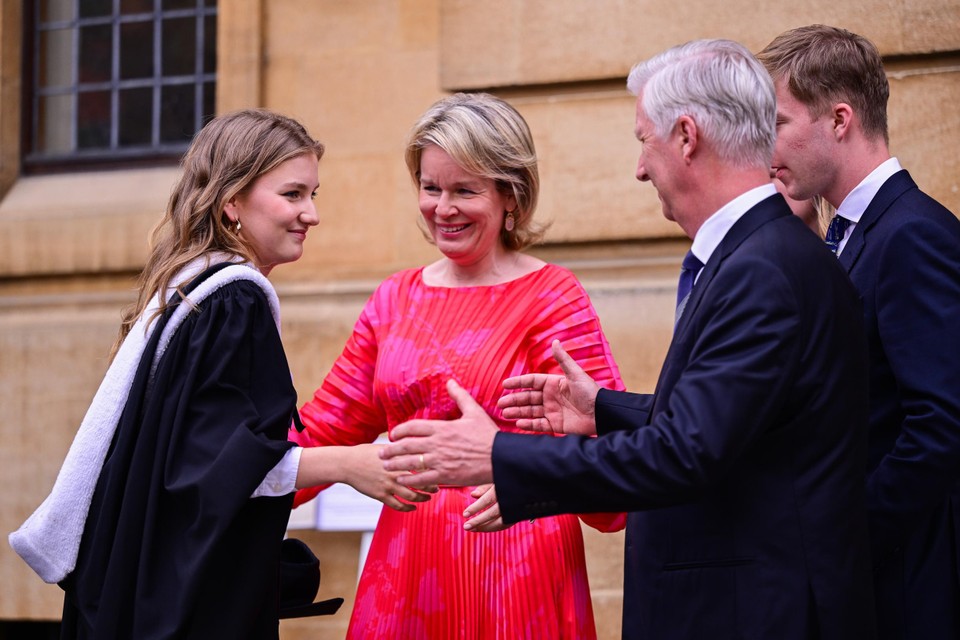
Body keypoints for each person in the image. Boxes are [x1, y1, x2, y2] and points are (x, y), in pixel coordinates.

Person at [382, 40, 878, 640]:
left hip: (755, 611)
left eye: (645, 140)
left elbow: (683, 454)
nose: (640, 168)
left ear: (687, 137)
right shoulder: (762, 253)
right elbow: (731, 422)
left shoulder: (761, 269)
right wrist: (602, 409)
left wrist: (499, 455)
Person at [8, 109, 413, 638]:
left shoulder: (186, 291)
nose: (311, 214)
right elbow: (217, 463)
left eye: (314, 195)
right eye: (292, 195)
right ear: (231, 204)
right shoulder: (232, 302)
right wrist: (348, 463)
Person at [289, 92, 625, 639]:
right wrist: (227, 469)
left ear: (510, 195)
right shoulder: (393, 299)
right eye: (430, 187)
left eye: (464, 190)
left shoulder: (553, 297)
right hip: (407, 573)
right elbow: (321, 431)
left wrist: (515, 464)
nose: (442, 208)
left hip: (517, 571)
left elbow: (613, 470)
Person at [758, 25, 960, 640]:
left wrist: (847, 537)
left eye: (779, 123)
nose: (765, 147)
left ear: (839, 119)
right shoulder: (853, 232)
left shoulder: (912, 234)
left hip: (908, 584)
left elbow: (942, 423)